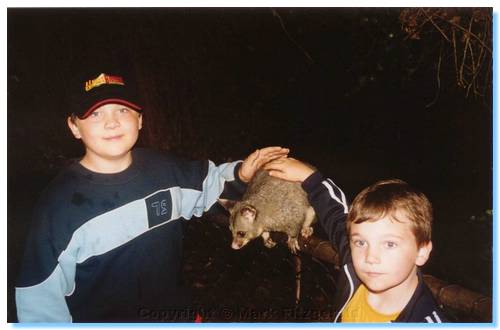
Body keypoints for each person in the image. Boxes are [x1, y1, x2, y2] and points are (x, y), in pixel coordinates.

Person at [15, 71, 289, 322]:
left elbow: (211, 186)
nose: (111, 122)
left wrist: (242, 173)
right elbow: (38, 301)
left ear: (140, 119)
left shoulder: (166, 170)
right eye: (95, 113)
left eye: (123, 109)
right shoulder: (58, 206)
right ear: (74, 126)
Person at [265, 158, 448, 323]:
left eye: (389, 244)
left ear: (422, 252)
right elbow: (337, 217)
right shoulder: (353, 264)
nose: (370, 257)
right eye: (361, 242)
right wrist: (309, 177)